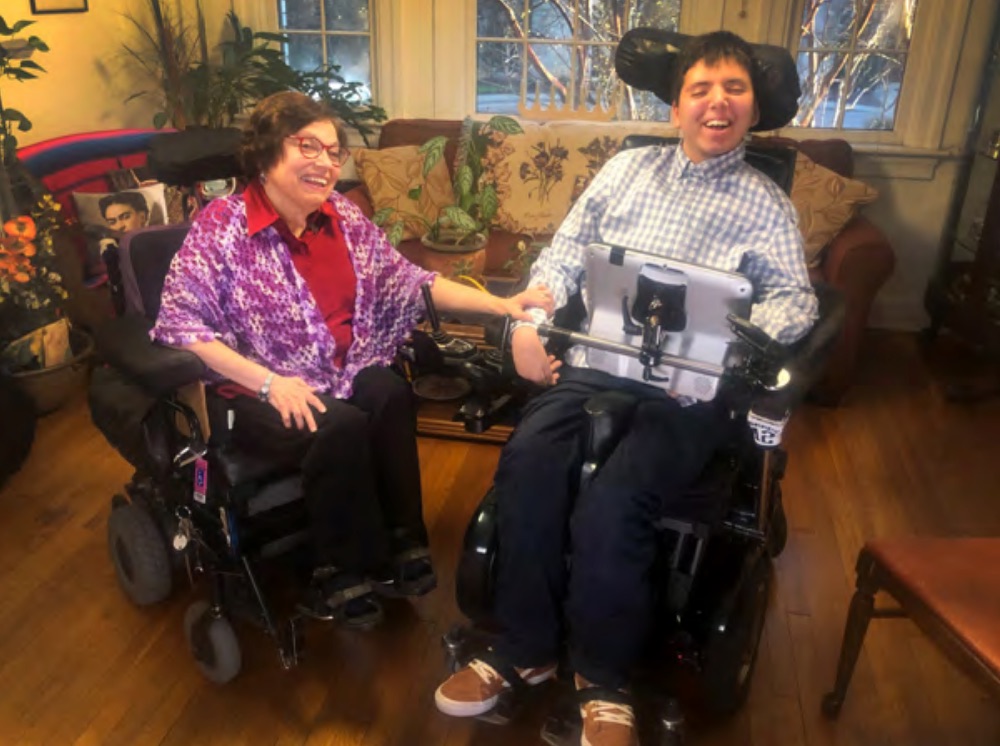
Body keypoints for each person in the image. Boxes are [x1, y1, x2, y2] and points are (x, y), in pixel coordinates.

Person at [434, 31, 818, 745]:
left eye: (733, 89)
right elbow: (562, 257)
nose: (716, 103)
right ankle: (525, 649)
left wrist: (746, 334)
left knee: (619, 496)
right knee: (528, 463)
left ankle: (602, 682)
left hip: (693, 385)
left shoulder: (767, 204)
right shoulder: (627, 170)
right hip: (598, 360)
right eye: (700, 89)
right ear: (676, 105)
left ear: (754, 107)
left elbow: (797, 300)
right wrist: (531, 317)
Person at [152, 92, 553, 629]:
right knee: (335, 424)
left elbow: (412, 282)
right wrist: (271, 384)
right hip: (253, 391)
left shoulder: (340, 215)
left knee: (387, 391)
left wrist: (503, 305)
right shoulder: (221, 227)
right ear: (268, 153)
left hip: (335, 372)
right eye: (308, 146)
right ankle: (339, 566)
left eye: (334, 152)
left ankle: (402, 542)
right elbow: (183, 327)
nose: (325, 162)